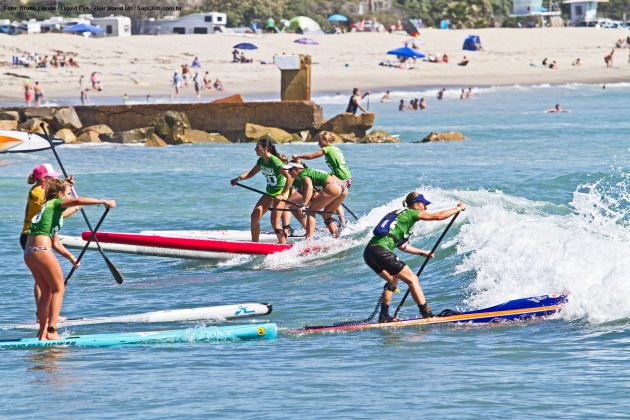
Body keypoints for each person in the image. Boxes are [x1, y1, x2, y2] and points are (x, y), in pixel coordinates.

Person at [24, 178, 115, 340]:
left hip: (29, 253)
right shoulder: (56, 203)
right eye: (66, 195)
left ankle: (43, 334)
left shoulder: (46, 210)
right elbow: (78, 200)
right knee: (58, 289)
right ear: (59, 195)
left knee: (45, 292)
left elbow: (56, 243)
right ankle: (52, 331)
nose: (68, 198)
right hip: (41, 251)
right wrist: (103, 201)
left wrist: (71, 258)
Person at [364, 192, 466, 322]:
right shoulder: (411, 212)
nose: (426, 208)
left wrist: (422, 252)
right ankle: (427, 314)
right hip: (381, 251)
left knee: (392, 280)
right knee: (413, 280)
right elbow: (438, 216)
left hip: (369, 252)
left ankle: (384, 316)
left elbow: (402, 246)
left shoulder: (399, 214)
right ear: (416, 205)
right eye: (424, 205)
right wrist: (458, 209)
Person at [21, 164, 78, 319]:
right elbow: (58, 212)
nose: (55, 178)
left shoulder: (41, 189)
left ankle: (43, 312)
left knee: (44, 280)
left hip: (38, 234)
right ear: (43, 179)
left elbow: (55, 194)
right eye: (52, 176)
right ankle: (43, 314)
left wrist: (65, 185)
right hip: (32, 236)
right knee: (42, 281)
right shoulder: (39, 193)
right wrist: (76, 207)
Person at [230, 138, 294, 244]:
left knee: (274, 221)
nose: (255, 149)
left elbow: (290, 177)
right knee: (255, 216)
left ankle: (283, 245)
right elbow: (251, 173)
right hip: (270, 192)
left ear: (266, 148)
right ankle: (255, 245)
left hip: (280, 192)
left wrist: (282, 194)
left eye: (258, 147)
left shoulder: (275, 161)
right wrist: (238, 179)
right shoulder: (261, 161)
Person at [292, 131, 352, 226]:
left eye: (320, 140)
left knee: (324, 198)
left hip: (341, 178)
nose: (318, 143)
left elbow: (311, 156)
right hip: (346, 177)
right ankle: (340, 223)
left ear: (326, 140)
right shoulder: (336, 149)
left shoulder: (328, 148)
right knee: (332, 200)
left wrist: (298, 155)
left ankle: (340, 222)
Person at [283, 162, 348, 238]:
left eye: (290, 170)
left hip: (333, 186)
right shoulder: (310, 171)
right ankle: (336, 238)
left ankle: (308, 240)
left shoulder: (303, 173)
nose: (289, 173)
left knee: (310, 211)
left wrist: (304, 204)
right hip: (343, 187)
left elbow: (309, 187)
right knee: (326, 215)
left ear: (296, 169)